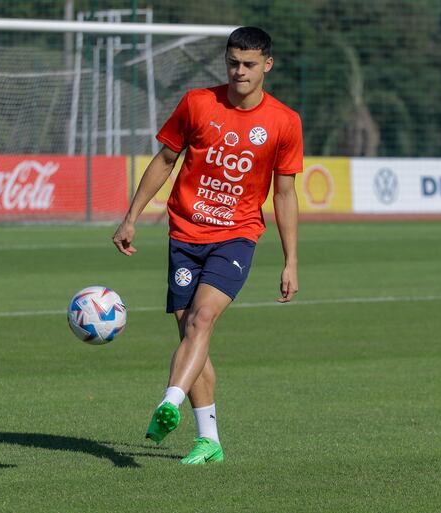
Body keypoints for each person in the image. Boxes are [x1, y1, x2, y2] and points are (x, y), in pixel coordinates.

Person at [112, 26, 302, 465]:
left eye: (249, 64)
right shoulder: (198, 103)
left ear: (267, 65)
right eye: (233, 63)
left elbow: (285, 193)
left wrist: (290, 260)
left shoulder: (284, 121)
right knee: (191, 337)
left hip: (236, 236)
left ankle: (169, 402)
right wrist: (131, 217)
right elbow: (165, 160)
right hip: (184, 235)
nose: (240, 72)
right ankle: (209, 440)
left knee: (201, 320)